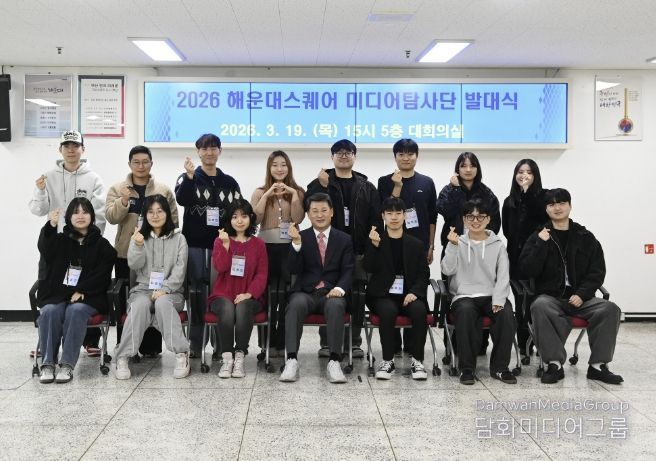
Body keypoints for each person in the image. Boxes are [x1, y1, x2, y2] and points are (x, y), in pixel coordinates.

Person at [519, 188, 623, 385]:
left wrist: (582, 294)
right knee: (539, 306)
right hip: (551, 298)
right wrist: (540, 244)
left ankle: (598, 366)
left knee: (610, 309)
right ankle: (554, 364)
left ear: (570, 206)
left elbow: (597, 271)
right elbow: (526, 270)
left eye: (561, 203)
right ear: (546, 209)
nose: (557, 208)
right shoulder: (538, 236)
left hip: (582, 299)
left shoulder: (585, 237)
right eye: (551, 204)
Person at [29, 130, 106, 356]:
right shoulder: (48, 176)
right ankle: (46, 342)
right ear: (60, 150)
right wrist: (40, 190)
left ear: (83, 149)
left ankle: (90, 340)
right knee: (51, 291)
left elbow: (99, 213)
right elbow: (37, 209)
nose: (71, 150)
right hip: (55, 246)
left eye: (75, 146)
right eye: (66, 146)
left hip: (84, 245)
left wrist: (90, 242)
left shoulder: (93, 178)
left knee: (86, 289)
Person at [306, 139, 381, 359]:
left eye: (348, 152)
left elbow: (376, 219)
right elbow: (308, 207)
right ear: (332, 157)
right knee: (326, 293)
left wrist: (371, 247)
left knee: (356, 296)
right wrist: (321, 186)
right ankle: (327, 342)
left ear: (355, 156)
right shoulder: (321, 181)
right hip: (327, 252)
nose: (344, 156)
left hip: (358, 251)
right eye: (339, 152)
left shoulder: (366, 186)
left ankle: (354, 342)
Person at [105, 145, 179, 354]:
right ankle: (125, 345)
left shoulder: (163, 190)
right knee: (126, 300)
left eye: (145, 162)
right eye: (136, 162)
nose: (141, 166)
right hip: (124, 252)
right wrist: (123, 200)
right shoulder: (117, 189)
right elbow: (111, 218)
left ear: (151, 164)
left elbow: (173, 221)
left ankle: (150, 348)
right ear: (129, 164)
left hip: (156, 256)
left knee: (153, 294)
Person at [36, 197, 115, 383]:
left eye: (85, 212)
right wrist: (51, 225)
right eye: (76, 212)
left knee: (76, 310)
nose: (80, 216)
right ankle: (47, 364)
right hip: (58, 294)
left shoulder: (102, 245)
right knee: (49, 311)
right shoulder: (59, 240)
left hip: (89, 297)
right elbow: (44, 249)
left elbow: (102, 275)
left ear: (92, 216)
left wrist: (82, 290)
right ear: (69, 217)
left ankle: (67, 365)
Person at [175, 133, 241, 358]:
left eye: (213, 148)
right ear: (198, 152)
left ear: (220, 151)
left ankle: (221, 345)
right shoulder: (188, 178)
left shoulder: (230, 182)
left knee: (220, 293)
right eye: (204, 148)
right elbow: (182, 199)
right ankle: (196, 344)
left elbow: (237, 212)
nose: (209, 152)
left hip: (221, 246)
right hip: (194, 245)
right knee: (196, 294)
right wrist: (189, 177)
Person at [280, 193, 354, 383]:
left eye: (323, 210)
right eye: (314, 211)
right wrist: (296, 244)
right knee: (295, 304)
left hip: (331, 292)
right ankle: (291, 360)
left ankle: (335, 361)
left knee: (336, 305)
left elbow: (348, 270)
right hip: (306, 292)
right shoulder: (301, 237)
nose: (319, 215)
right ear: (308, 214)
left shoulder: (344, 239)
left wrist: (340, 289)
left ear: (332, 212)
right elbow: (291, 269)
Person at [441, 199, 516, 385]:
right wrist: (452, 246)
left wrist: (499, 299)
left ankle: (500, 367)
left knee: (506, 313)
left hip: (491, 295)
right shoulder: (457, 242)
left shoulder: (498, 245)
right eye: (470, 217)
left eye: (480, 216)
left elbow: (504, 275)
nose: (475, 221)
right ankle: (466, 369)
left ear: (488, 219)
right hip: (464, 296)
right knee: (466, 312)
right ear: (464, 220)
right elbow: (447, 270)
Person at [114, 195, 190, 380]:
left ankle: (181, 354)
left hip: (171, 292)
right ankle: (123, 356)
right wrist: (138, 245)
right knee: (140, 306)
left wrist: (165, 288)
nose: (155, 216)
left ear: (167, 213)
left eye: (159, 211)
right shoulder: (139, 237)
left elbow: (180, 271)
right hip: (143, 290)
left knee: (163, 303)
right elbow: (134, 264)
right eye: (150, 212)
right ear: (145, 215)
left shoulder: (179, 238)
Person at [437, 151, 501, 355]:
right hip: (454, 247)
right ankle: (453, 345)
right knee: (455, 297)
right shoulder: (449, 189)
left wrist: (481, 240)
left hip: (480, 251)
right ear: (457, 168)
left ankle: (481, 343)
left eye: (472, 165)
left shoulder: (486, 192)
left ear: (477, 169)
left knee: (482, 295)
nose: (467, 169)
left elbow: (495, 222)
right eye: (463, 165)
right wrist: (456, 189)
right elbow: (444, 210)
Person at [377, 138, 436, 355]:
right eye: (401, 154)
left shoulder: (426, 182)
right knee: (391, 292)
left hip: (418, 247)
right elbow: (388, 208)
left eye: (410, 153)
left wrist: (431, 245)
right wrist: (397, 186)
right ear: (395, 157)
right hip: (391, 245)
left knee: (416, 292)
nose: (406, 158)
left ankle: (413, 346)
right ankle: (392, 346)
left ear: (416, 156)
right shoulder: (385, 181)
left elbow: (432, 217)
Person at [363, 197, 430, 380]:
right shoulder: (376, 239)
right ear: (383, 216)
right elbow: (368, 267)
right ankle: (387, 361)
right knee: (388, 311)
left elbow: (423, 274)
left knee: (419, 310)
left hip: (408, 294)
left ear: (404, 216)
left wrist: (414, 292)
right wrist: (374, 247)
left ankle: (417, 361)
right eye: (389, 213)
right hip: (382, 295)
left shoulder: (415, 244)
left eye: (398, 213)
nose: (394, 217)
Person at [251, 151, 305, 357]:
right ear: (269, 168)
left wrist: (294, 197)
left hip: (289, 248)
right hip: (265, 248)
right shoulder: (259, 192)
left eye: (283, 165)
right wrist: (267, 195)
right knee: (266, 296)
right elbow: (255, 220)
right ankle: (265, 345)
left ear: (289, 168)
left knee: (285, 296)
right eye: (275, 165)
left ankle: (282, 343)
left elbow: (298, 218)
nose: (279, 169)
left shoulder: (297, 191)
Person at [209, 200, 268, 378]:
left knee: (243, 306)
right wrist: (226, 245)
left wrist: (249, 293)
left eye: (243, 216)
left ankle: (240, 356)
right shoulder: (220, 240)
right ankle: (227, 358)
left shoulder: (259, 244)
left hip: (250, 295)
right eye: (234, 217)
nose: (239, 221)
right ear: (229, 220)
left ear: (250, 218)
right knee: (227, 308)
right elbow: (220, 267)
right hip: (223, 294)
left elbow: (262, 274)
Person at [501, 159, 547, 357]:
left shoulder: (544, 198)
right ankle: (524, 345)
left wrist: (527, 196)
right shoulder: (509, 201)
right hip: (515, 259)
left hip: (538, 259)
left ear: (535, 175)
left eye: (529, 172)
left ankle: (541, 343)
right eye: (520, 172)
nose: (524, 175)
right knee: (521, 304)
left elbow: (543, 225)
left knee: (537, 304)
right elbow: (508, 231)